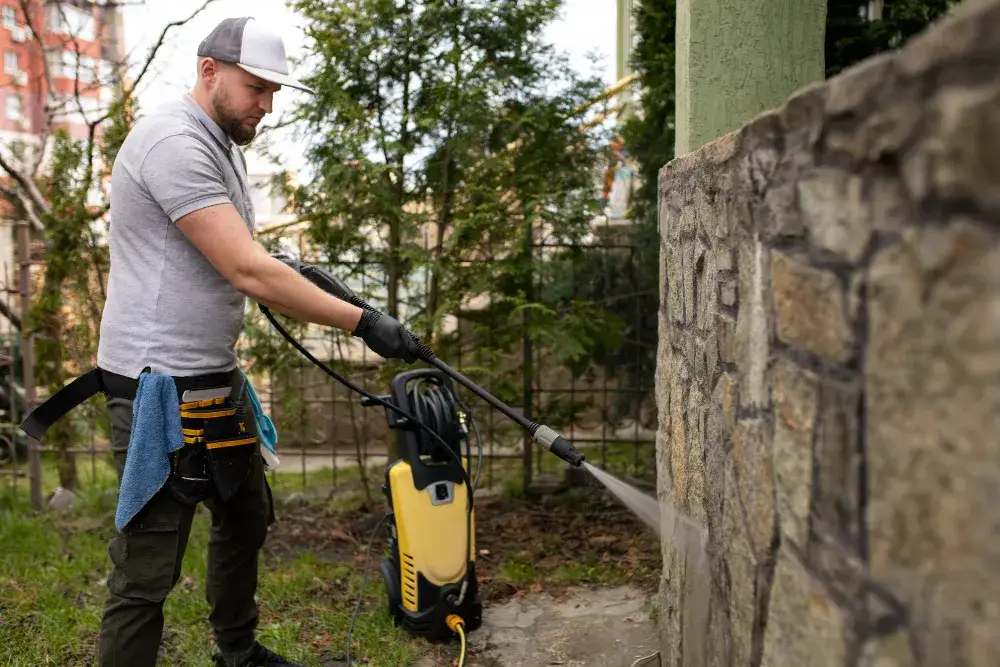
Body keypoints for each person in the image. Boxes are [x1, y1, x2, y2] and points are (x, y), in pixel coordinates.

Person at [92, 16, 417, 667]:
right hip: (158, 387)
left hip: (213, 375)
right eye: (256, 87)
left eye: (273, 90)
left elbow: (251, 257)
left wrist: (340, 295)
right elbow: (247, 270)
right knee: (147, 567)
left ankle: (237, 651)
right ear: (209, 71)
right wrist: (362, 322)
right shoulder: (172, 143)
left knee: (246, 514)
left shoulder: (224, 147)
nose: (266, 104)